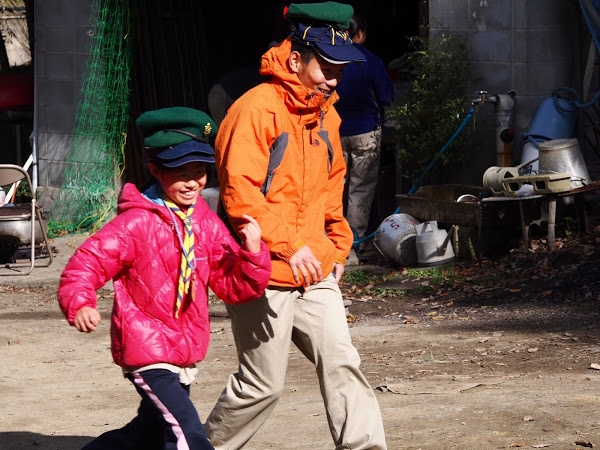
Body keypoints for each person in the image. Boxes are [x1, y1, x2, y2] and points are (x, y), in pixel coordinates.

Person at [204, 3, 387, 449]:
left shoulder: (328, 114)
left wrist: (338, 246)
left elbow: (332, 191)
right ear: (294, 59)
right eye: (326, 67)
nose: (333, 79)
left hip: (315, 268)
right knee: (262, 386)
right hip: (262, 268)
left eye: (340, 70)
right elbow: (240, 198)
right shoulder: (254, 111)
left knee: (343, 363)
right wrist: (287, 246)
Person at [56, 106, 271, 450]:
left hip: (184, 349)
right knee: (185, 431)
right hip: (147, 349)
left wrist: (253, 254)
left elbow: (234, 287)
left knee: (147, 433)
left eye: (199, 170)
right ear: (155, 169)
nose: (191, 181)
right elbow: (85, 264)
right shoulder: (135, 223)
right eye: (179, 171)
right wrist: (81, 301)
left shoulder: (204, 220)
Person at [335, 11, 395, 265]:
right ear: (360, 34)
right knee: (360, 191)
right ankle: (353, 247)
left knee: (334, 188)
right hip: (366, 133)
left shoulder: (330, 58)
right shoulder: (370, 61)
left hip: (334, 132)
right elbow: (386, 97)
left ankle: (334, 245)